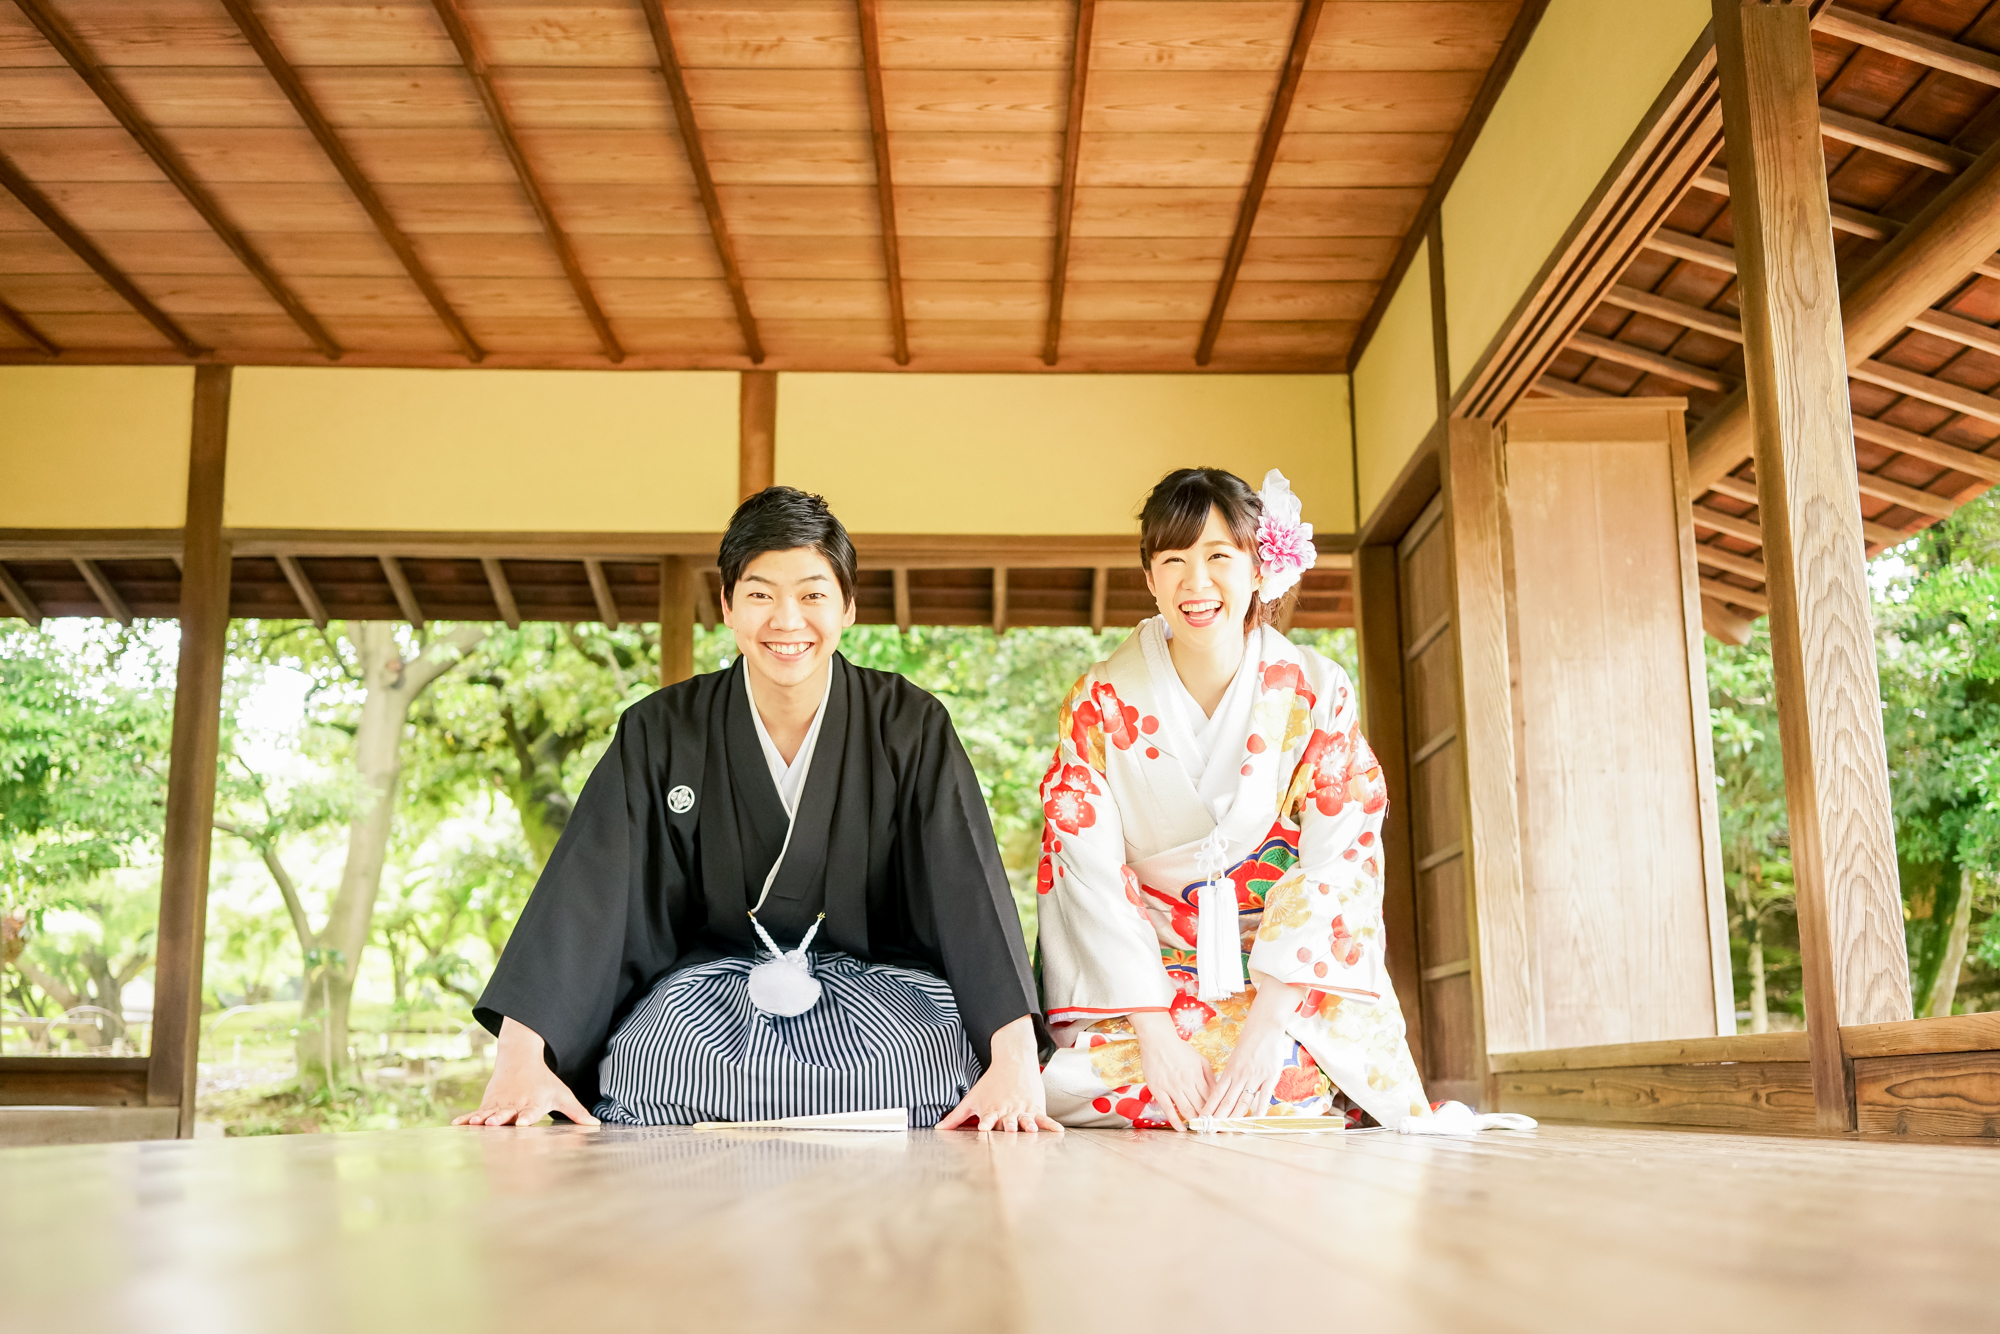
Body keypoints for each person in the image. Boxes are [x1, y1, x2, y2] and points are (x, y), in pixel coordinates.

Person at [457, 487, 1058, 1132]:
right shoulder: (662, 730)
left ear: (849, 606)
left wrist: (1014, 1058)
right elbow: (587, 888)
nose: (787, 620)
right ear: (727, 605)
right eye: (761, 594)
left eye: (812, 595)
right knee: (648, 1059)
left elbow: (968, 885)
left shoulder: (908, 725)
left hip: (882, 999)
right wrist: (520, 1057)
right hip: (702, 1005)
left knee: (910, 1059)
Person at [1035, 467, 1434, 1130]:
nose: (1196, 582)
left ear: (1258, 567)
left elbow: (1340, 861)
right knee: (1106, 1082)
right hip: (1150, 976)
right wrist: (1156, 1034)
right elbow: (1088, 871)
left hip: (1280, 975)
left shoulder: (1315, 690)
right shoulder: (1099, 702)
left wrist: (1267, 1027)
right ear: (1149, 577)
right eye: (1173, 560)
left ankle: (1278, 1066)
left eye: (1219, 556)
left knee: (1288, 1080)